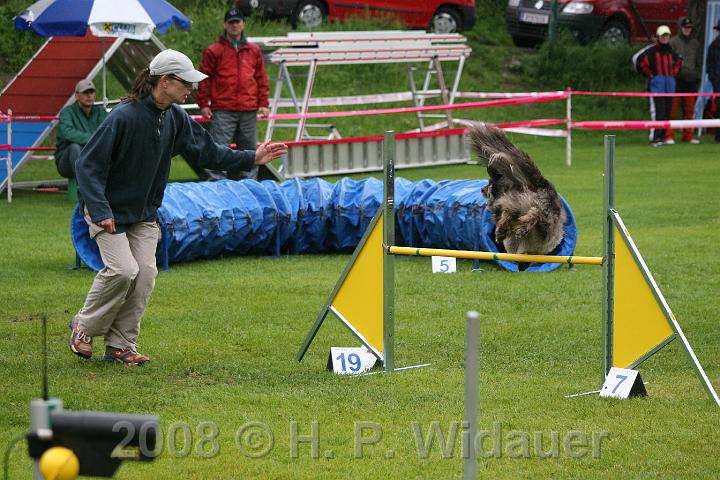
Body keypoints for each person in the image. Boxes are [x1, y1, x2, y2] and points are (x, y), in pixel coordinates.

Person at [69, 49, 287, 366]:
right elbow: (87, 165)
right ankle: (83, 326)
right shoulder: (123, 116)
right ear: (165, 81)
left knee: (144, 275)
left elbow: (209, 153)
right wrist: (101, 210)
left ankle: (120, 346)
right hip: (108, 210)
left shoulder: (176, 118)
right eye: (186, 83)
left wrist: (252, 157)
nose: (191, 89)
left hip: (143, 214)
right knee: (123, 270)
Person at [196, 7, 270, 181]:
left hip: (249, 108)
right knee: (218, 149)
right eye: (231, 22)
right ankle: (216, 185)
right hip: (223, 109)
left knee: (250, 151)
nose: (234, 25)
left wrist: (264, 103)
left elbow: (261, 78)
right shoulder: (213, 50)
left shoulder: (254, 50)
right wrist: (203, 104)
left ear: (243, 24)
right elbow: (204, 79)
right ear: (225, 25)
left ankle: (249, 185)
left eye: (237, 22)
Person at [637, 25, 682, 146]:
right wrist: (651, 76)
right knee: (657, 112)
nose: (665, 38)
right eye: (663, 35)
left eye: (667, 35)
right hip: (656, 88)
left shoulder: (672, 52)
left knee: (667, 113)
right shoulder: (651, 51)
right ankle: (655, 137)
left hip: (669, 88)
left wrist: (673, 76)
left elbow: (678, 65)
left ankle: (662, 137)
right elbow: (640, 63)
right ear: (658, 37)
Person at [55, 79, 108, 178]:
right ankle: (84, 184)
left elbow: (108, 134)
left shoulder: (102, 113)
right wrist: (93, 139)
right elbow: (67, 133)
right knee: (74, 147)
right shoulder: (67, 112)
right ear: (76, 96)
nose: (89, 95)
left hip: (93, 156)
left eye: (91, 92)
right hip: (67, 162)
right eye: (85, 92)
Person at [666, 17, 702, 144]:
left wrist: (697, 75)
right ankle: (669, 136)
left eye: (689, 28)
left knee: (689, 111)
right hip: (676, 79)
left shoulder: (695, 44)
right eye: (685, 27)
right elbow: (669, 61)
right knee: (672, 110)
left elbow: (698, 62)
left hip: (691, 80)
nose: (687, 30)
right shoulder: (673, 42)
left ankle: (688, 136)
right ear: (680, 28)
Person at [707, 19, 720, 142]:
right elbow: (709, 65)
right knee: (719, 108)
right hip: (718, 82)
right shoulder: (713, 46)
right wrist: (713, 78)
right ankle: (718, 134)